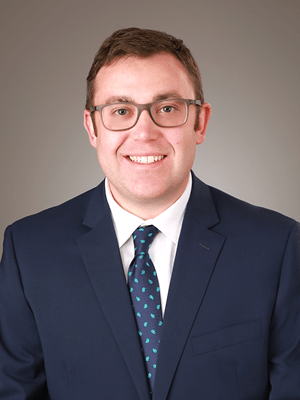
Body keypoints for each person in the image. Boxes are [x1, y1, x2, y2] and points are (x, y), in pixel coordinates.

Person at [0, 27, 299, 400]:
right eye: (121, 110)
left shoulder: (278, 246)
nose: (144, 133)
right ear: (92, 127)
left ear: (200, 122)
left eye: (167, 108)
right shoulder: (28, 249)